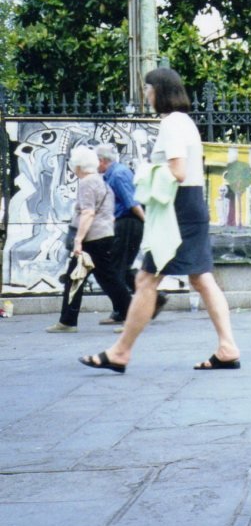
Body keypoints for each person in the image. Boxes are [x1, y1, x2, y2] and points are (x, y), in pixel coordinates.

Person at [78, 67, 240, 373]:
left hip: (178, 210)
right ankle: (227, 347)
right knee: (200, 278)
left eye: (148, 90)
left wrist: (144, 172)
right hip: (190, 206)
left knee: (146, 279)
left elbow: (177, 171)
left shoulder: (172, 125)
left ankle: (120, 352)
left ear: (160, 91)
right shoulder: (185, 123)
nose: (147, 96)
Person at [45, 146, 133, 333]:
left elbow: (88, 212)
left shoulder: (86, 183)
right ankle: (68, 320)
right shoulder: (102, 182)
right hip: (104, 235)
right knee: (103, 278)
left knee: (91, 279)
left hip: (92, 239)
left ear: (78, 166)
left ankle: (68, 322)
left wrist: (78, 240)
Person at [95, 143, 169, 325]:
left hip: (128, 223)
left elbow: (132, 203)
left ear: (102, 160)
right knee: (122, 267)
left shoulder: (118, 174)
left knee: (115, 269)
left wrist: (147, 223)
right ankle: (154, 298)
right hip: (126, 222)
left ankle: (124, 311)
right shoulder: (113, 173)